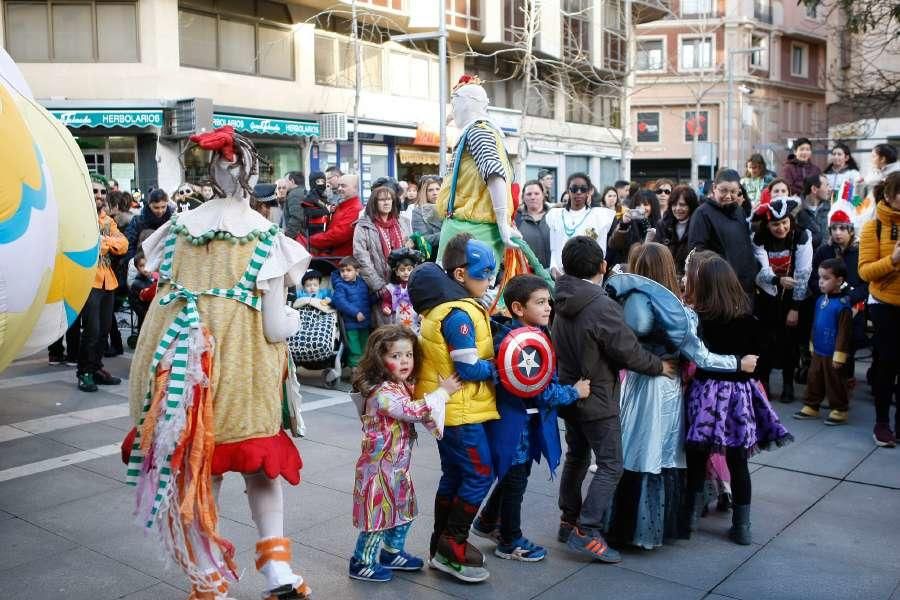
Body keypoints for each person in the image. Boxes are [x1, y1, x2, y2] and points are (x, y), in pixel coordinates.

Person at [123, 127, 313, 600]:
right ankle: (277, 570)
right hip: (244, 366)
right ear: (252, 176)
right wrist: (295, 317)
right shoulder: (268, 239)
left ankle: (206, 576)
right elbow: (274, 327)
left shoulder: (178, 230)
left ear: (210, 172)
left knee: (197, 467)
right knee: (260, 466)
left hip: (179, 361)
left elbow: (157, 284)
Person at [603, 243, 753, 551]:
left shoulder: (622, 301)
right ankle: (644, 532)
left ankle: (619, 525)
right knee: (655, 452)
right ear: (668, 269)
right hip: (663, 389)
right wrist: (737, 363)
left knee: (632, 447)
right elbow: (703, 356)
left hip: (633, 386)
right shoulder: (679, 314)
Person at [551, 236, 677, 564]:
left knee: (577, 456)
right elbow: (626, 350)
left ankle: (569, 520)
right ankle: (588, 529)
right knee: (610, 464)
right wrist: (658, 366)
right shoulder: (601, 304)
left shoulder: (561, 295)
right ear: (603, 267)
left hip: (569, 390)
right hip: (597, 395)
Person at [469, 275, 589, 561]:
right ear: (518, 308)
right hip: (514, 426)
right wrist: (574, 392)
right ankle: (510, 541)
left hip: (517, 423)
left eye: (549, 301)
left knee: (514, 475)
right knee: (515, 482)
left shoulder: (525, 334)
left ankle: (487, 521)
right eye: (540, 302)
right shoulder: (522, 343)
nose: (548, 307)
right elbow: (542, 391)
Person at [408, 233, 499, 583]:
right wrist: (500, 367)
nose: (488, 279)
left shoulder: (449, 307)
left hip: (454, 410)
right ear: (460, 275)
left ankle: (441, 544)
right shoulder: (457, 312)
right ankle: (453, 545)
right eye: (484, 272)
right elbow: (468, 367)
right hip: (462, 411)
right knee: (479, 474)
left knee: (457, 474)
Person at [684, 255, 792, 545]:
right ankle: (742, 526)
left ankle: (690, 518)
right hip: (739, 399)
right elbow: (760, 361)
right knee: (738, 461)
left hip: (705, 396)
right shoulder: (750, 321)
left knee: (696, 457)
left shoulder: (699, 320)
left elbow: (697, 358)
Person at [348, 326, 459, 582]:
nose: (404, 361)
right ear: (379, 358)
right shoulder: (382, 392)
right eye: (396, 356)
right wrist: (442, 392)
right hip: (377, 469)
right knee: (377, 517)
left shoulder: (397, 385)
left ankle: (392, 552)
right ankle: (361, 561)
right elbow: (410, 411)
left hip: (396, 466)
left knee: (404, 510)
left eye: (408, 354)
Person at [436, 75, 521, 269]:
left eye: (454, 103)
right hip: (468, 229)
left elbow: (495, 174)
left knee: (460, 291)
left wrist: (503, 224)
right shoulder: (482, 132)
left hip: (472, 230)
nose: (453, 111)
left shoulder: (479, 131)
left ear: (466, 103)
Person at [751, 198, 813, 402]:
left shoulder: (801, 236)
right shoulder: (758, 239)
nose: (781, 227)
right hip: (767, 297)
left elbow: (803, 274)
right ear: (767, 225)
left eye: (784, 222)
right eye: (775, 224)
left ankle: (788, 384)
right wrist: (777, 280)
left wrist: (795, 308)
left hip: (793, 298)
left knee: (790, 343)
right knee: (764, 343)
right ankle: (764, 383)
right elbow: (760, 273)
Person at [858, 171, 900, 447]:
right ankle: (882, 423)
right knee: (887, 364)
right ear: (889, 195)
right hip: (885, 305)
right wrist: (893, 260)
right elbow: (864, 272)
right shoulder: (873, 228)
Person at [77, 183, 128, 392]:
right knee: (92, 330)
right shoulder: (81, 220)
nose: (99, 195)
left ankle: (96, 368)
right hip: (88, 281)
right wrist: (108, 243)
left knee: (104, 329)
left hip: (108, 281)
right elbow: (86, 243)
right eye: (95, 191)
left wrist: (104, 242)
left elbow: (123, 245)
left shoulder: (108, 221)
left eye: (102, 192)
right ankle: (84, 372)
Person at [792, 258, 853, 425]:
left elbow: (844, 333)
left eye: (826, 278)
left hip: (833, 352)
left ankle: (839, 409)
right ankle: (812, 405)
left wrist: (839, 355)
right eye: (820, 277)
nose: (821, 282)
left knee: (834, 380)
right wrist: (812, 343)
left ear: (839, 281)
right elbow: (816, 324)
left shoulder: (843, 305)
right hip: (819, 349)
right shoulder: (820, 300)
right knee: (814, 377)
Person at [688, 168, 758, 295]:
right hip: (719, 287)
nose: (728, 196)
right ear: (714, 188)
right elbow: (696, 251)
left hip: (745, 286)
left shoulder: (739, 211)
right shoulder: (702, 214)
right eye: (723, 190)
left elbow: (746, 248)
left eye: (733, 192)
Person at [808, 210, 868, 359]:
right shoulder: (823, 251)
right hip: (827, 306)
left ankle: (846, 379)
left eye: (842, 228)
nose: (837, 232)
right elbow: (813, 279)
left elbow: (866, 284)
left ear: (850, 230)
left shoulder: (860, 252)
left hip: (851, 306)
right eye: (834, 228)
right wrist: (825, 291)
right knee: (824, 345)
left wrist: (849, 298)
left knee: (847, 346)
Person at [353, 185, 411, 326]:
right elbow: (361, 258)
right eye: (382, 200)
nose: (386, 203)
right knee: (386, 332)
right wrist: (379, 286)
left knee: (407, 328)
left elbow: (409, 249)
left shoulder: (402, 222)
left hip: (404, 286)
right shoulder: (364, 226)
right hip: (380, 286)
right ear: (374, 203)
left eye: (389, 199)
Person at [546, 173, 616, 278]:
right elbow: (554, 248)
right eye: (574, 189)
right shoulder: (555, 215)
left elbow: (601, 250)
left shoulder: (599, 216)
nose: (578, 192)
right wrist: (554, 269)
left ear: (589, 191)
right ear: (568, 190)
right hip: (561, 278)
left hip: (588, 277)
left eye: (583, 189)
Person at [332, 256, 375, 369]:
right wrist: (355, 313)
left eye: (348, 270)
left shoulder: (362, 284)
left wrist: (377, 297)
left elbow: (367, 299)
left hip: (364, 322)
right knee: (354, 346)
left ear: (357, 271)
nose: (345, 273)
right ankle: (355, 368)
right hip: (350, 324)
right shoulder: (340, 286)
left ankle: (364, 368)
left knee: (365, 345)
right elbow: (340, 302)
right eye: (342, 271)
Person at [309, 174, 363, 257]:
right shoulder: (342, 205)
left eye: (343, 186)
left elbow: (338, 235)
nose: (340, 189)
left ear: (355, 188)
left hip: (341, 260)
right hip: (334, 257)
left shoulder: (355, 209)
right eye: (339, 186)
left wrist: (312, 240)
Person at [607, 190, 660, 269]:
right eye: (638, 205)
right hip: (628, 269)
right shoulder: (627, 222)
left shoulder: (659, 224)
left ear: (653, 206)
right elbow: (613, 244)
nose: (642, 208)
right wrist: (623, 225)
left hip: (651, 269)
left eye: (646, 204)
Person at [657, 185, 699, 278]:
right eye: (674, 204)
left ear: (691, 206)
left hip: (690, 278)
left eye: (682, 205)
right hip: (667, 277)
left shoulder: (698, 225)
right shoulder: (663, 225)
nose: (677, 209)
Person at [124, 189, 172, 263]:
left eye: (163, 207)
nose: (160, 211)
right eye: (156, 207)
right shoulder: (138, 221)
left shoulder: (172, 221)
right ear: (149, 205)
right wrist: (138, 263)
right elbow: (129, 245)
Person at [381, 248, 423, 332]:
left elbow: (422, 302)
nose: (406, 272)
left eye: (409, 269)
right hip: (397, 325)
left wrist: (422, 313)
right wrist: (386, 307)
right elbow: (386, 301)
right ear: (396, 272)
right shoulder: (391, 288)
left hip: (415, 324)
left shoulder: (417, 287)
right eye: (402, 270)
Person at [515, 180, 551, 268]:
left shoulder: (554, 216)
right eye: (529, 194)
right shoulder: (516, 219)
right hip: (528, 276)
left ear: (543, 195)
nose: (533, 197)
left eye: (536, 193)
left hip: (554, 275)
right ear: (523, 197)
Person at [410, 175, 443, 260]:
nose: (435, 193)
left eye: (437, 189)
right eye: (430, 190)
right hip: (431, 257)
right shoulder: (418, 212)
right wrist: (448, 233)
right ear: (425, 193)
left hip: (449, 254)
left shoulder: (448, 208)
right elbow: (422, 239)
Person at [798, 174, 833, 250]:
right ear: (814, 189)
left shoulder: (831, 208)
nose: (829, 189)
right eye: (826, 185)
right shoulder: (797, 210)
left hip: (827, 258)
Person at [303, 171, 330, 237]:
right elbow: (309, 212)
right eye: (318, 181)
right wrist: (327, 210)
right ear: (312, 183)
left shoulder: (324, 196)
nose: (321, 184)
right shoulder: (309, 197)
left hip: (325, 230)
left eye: (323, 181)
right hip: (313, 231)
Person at [282, 171, 307, 240]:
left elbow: (296, 218)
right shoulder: (302, 191)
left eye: (286, 182)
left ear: (292, 181)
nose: (284, 185)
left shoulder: (295, 194)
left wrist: (287, 236)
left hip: (297, 238)